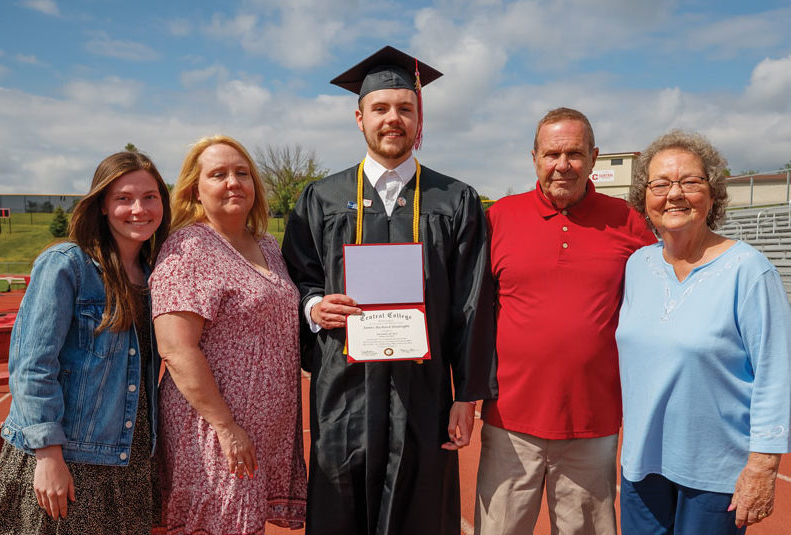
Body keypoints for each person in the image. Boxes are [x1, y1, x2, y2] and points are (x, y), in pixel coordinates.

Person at [281, 45, 496, 535]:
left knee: (420, 511)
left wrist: (466, 393)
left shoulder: (455, 199)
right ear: (359, 118)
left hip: (424, 391)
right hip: (343, 389)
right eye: (381, 108)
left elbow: (472, 300)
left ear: (420, 119)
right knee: (341, 510)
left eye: (405, 108)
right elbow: (295, 277)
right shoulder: (321, 197)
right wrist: (314, 306)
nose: (393, 118)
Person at [474, 107, 656, 535]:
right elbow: (471, 310)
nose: (562, 165)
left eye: (574, 153)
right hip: (510, 423)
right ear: (534, 157)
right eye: (551, 153)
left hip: (592, 423)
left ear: (594, 157)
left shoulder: (629, 222)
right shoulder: (499, 217)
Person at [616, 130, 791, 534]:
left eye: (690, 182)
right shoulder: (638, 265)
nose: (674, 194)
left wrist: (763, 465)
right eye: (659, 184)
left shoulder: (749, 269)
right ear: (644, 197)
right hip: (643, 465)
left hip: (716, 473)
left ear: (712, 195)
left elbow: (775, 372)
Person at [0, 151, 170, 534]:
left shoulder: (157, 275)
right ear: (102, 205)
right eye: (123, 198)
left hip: (127, 461)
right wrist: (48, 455)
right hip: (67, 458)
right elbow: (33, 364)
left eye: (150, 196)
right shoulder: (67, 264)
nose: (139, 208)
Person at [149, 135, 306, 534]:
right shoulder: (189, 248)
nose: (233, 182)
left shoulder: (267, 245)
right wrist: (226, 426)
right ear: (194, 191)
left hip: (262, 429)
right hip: (213, 428)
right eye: (218, 174)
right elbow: (176, 348)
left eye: (242, 173)